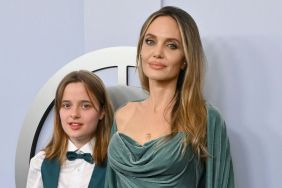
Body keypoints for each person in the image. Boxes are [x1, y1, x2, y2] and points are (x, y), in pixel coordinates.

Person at [105, 6, 234, 188]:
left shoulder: (204, 117)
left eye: (171, 45)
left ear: (185, 59)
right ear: (141, 49)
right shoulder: (122, 114)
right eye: (150, 41)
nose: (157, 53)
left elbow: (220, 183)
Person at [26, 70, 113, 188]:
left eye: (85, 106)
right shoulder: (40, 163)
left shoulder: (117, 164)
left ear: (102, 111)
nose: (74, 114)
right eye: (67, 105)